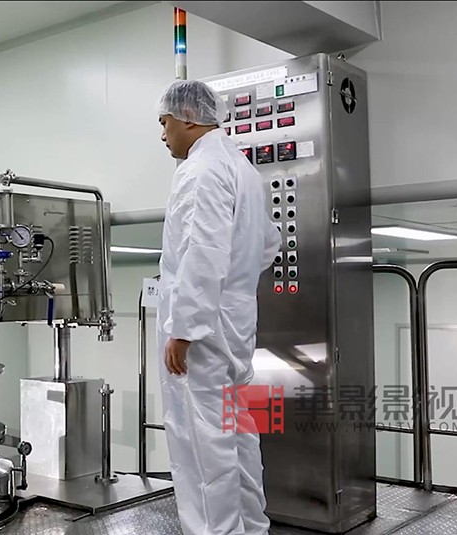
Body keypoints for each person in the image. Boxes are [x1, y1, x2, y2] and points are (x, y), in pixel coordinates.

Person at [154, 79, 281, 535]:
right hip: (235, 322)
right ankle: (251, 526)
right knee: (238, 428)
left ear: (188, 118)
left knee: (203, 444)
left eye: (165, 122)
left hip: (204, 331)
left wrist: (184, 328)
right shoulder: (241, 167)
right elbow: (268, 243)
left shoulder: (200, 170)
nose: (163, 134)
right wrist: (236, 286)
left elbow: (202, 251)